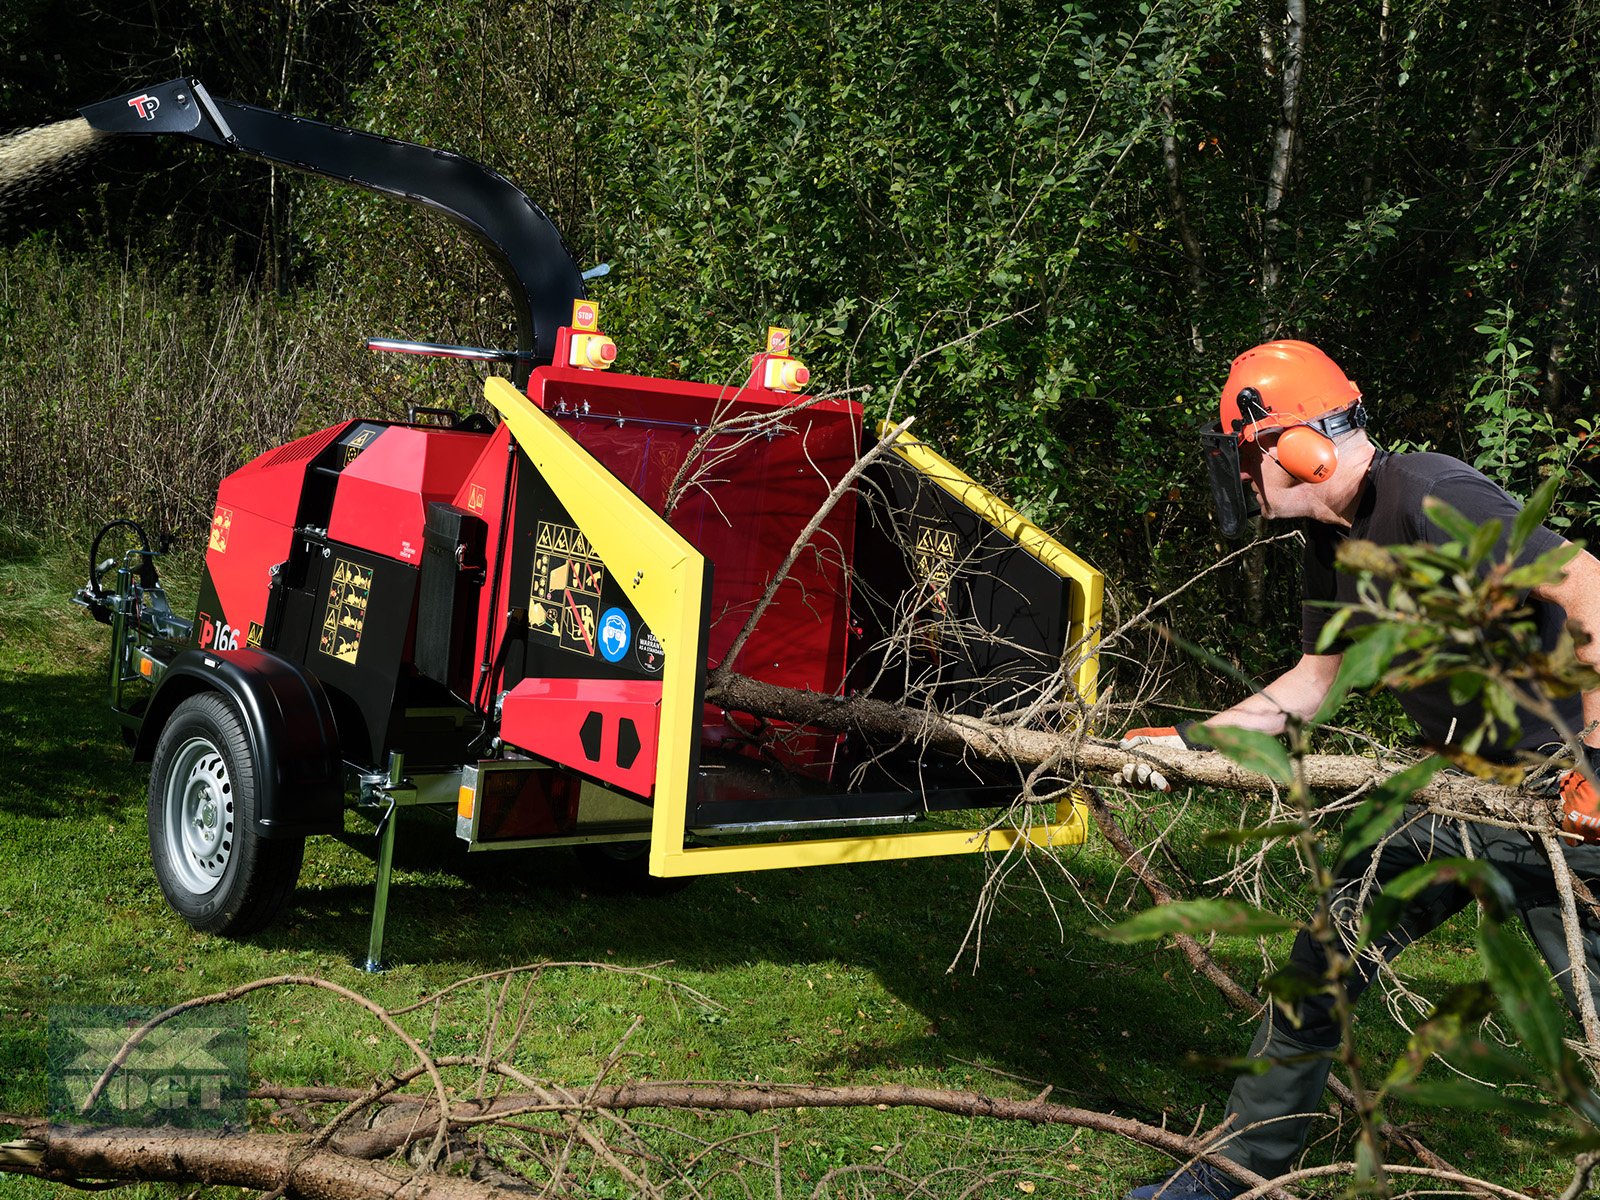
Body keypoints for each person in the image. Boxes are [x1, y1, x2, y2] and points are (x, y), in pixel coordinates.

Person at [1116, 340, 1600, 1200]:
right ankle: (1232, 1176)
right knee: (1315, 976)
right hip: (1449, 789)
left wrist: (1595, 758)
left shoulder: (1432, 494)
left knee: (1596, 1019)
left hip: (1559, 800)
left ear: (1289, 444)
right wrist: (1188, 744)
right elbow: (1312, 684)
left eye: (1245, 456)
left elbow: (1587, 587)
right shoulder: (1331, 545)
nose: (1243, 478)